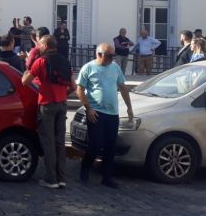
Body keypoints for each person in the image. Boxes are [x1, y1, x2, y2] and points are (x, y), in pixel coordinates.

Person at [76, 43, 133, 188]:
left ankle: (107, 177)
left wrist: (129, 107)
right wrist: (88, 108)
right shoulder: (88, 68)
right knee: (95, 144)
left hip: (112, 113)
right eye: (109, 56)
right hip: (96, 112)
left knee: (110, 146)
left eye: (113, 56)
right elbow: (80, 90)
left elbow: (122, 87)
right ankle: (85, 167)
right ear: (99, 54)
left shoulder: (115, 68)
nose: (112, 58)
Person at [22, 35, 75, 189]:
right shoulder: (65, 61)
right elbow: (73, 86)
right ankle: (61, 178)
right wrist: (62, 95)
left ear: (45, 45)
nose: (38, 47)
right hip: (62, 104)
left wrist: (26, 70)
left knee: (48, 142)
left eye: (39, 45)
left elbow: (26, 81)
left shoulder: (42, 61)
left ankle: (51, 179)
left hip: (47, 104)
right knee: (60, 142)